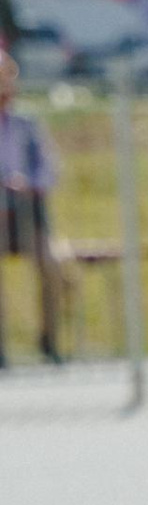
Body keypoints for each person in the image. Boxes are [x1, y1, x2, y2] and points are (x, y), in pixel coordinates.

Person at [0, 42, 65, 369]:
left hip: (28, 215)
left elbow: (49, 169)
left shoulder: (26, 124)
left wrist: (29, 183)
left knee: (52, 267)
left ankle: (49, 339)